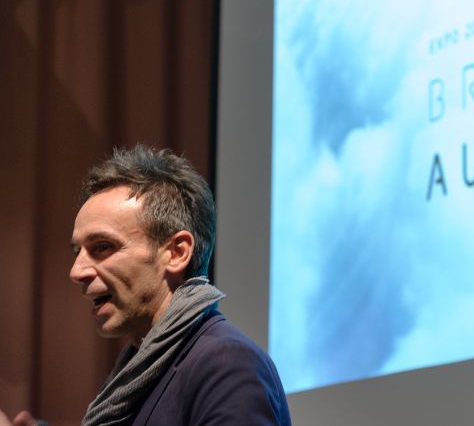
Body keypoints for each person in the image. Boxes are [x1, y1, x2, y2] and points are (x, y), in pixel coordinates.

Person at [1, 145, 291, 425]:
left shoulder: (227, 364)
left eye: (102, 246)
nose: (76, 271)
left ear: (176, 253)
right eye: (78, 252)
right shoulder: (136, 374)